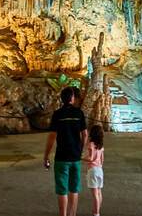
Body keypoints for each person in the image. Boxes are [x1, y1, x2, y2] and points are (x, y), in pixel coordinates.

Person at [44, 87, 88, 216]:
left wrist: (46, 156)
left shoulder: (57, 114)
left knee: (62, 190)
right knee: (74, 189)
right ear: (72, 98)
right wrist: (80, 150)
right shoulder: (79, 113)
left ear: (62, 99)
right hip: (75, 157)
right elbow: (85, 134)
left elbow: (52, 136)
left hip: (61, 157)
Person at [82, 125, 105, 216]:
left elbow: (91, 158)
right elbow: (102, 159)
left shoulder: (91, 144)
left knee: (95, 194)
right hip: (100, 170)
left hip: (93, 170)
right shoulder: (101, 145)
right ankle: (97, 210)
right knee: (99, 192)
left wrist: (81, 158)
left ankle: (96, 213)